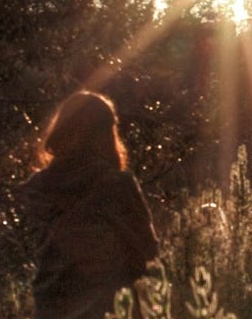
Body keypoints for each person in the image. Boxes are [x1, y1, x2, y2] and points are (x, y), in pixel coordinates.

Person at [16, 92, 158, 319]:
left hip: (51, 309)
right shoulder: (116, 185)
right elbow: (148, 253)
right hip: (109, 309)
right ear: (106, 134)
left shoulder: (37, 188)